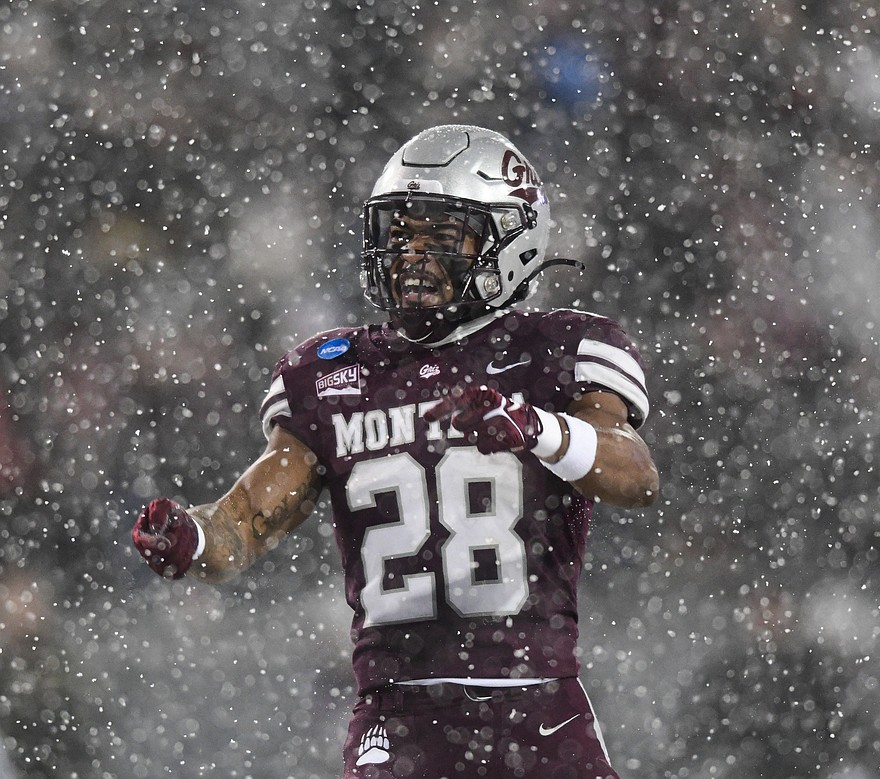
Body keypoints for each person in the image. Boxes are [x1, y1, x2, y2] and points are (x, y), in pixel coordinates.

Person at [131, 124, 660, 778]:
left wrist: (536, 428)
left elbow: (635, 473)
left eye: (440, 235)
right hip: (400, 713)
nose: (412, 254)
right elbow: (241, 525)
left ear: (514, 238)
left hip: (540, 705)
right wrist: (195, 539)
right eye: (401, 233)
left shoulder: (558, 350)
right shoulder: (333, 373)